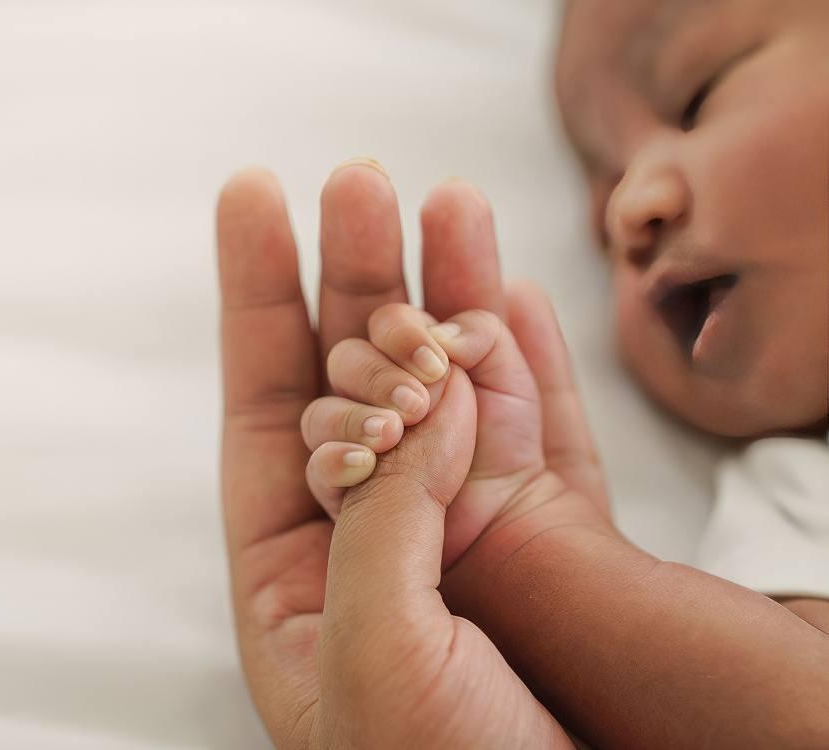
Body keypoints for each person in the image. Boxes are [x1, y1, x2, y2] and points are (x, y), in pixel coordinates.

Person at [216, 0, 829, 746]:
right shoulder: (797, 499)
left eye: (697, 95)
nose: (630, 208)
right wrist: (515, 543)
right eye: (601, 209)